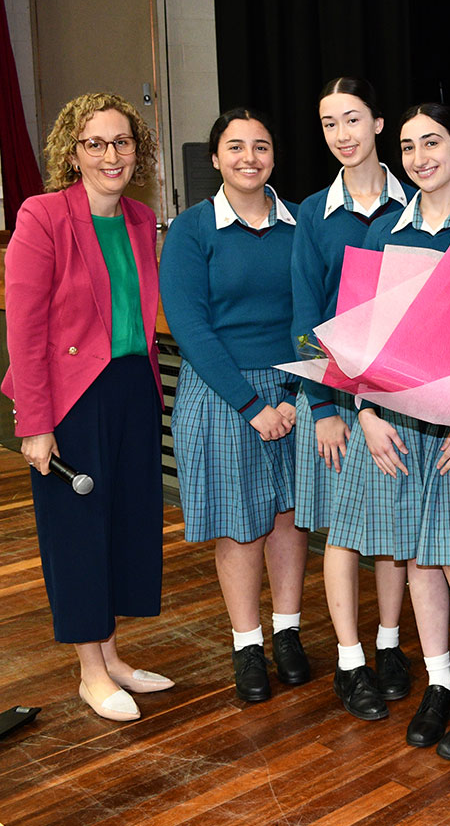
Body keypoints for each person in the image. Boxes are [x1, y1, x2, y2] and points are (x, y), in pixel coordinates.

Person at [342, 102, 450, 757]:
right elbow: (364, 336)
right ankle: (440, 682)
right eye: (408, 146)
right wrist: (365, 412)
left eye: (432, 142)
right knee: (416, 559)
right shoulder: (389, 229)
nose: (419, 157)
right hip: (400, 424)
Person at [3, 92, 170, 721]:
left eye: (121, 142)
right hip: (70, 398)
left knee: (122, 526)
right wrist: (35, 425)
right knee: (76, 534)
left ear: (137, 151)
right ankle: (90, 672)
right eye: (95, 143)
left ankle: (112, 654)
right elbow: (24, 330)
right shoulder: (41, 215)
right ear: (72, 152)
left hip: (129, 387)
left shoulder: (138, 216)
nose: (110, 154)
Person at [160, 108, 309, 704]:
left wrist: (301, 393)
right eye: (236, 146)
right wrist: (252, 405)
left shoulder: (301, 224)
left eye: (262, 146)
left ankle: (288, 633)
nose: (250, 157)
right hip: (223, 392)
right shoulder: (192, 231)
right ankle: (247, 643)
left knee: (290, 516)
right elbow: (191, 328)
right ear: (216, 158)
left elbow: (315, 313)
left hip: (295, 390)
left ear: (274, 156)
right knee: (240, 522)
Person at [291, 76, 411, 720]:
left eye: (353, 119)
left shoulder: (418, 201)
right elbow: (304, 317)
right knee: (343, 533)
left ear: (379, 124)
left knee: (391, 527)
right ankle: (349, 659)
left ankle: (391, 645)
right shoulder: (313, 212)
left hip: (402, 397)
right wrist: (322, 408)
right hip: (338, 400)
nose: (342, 134)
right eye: (330, 123)